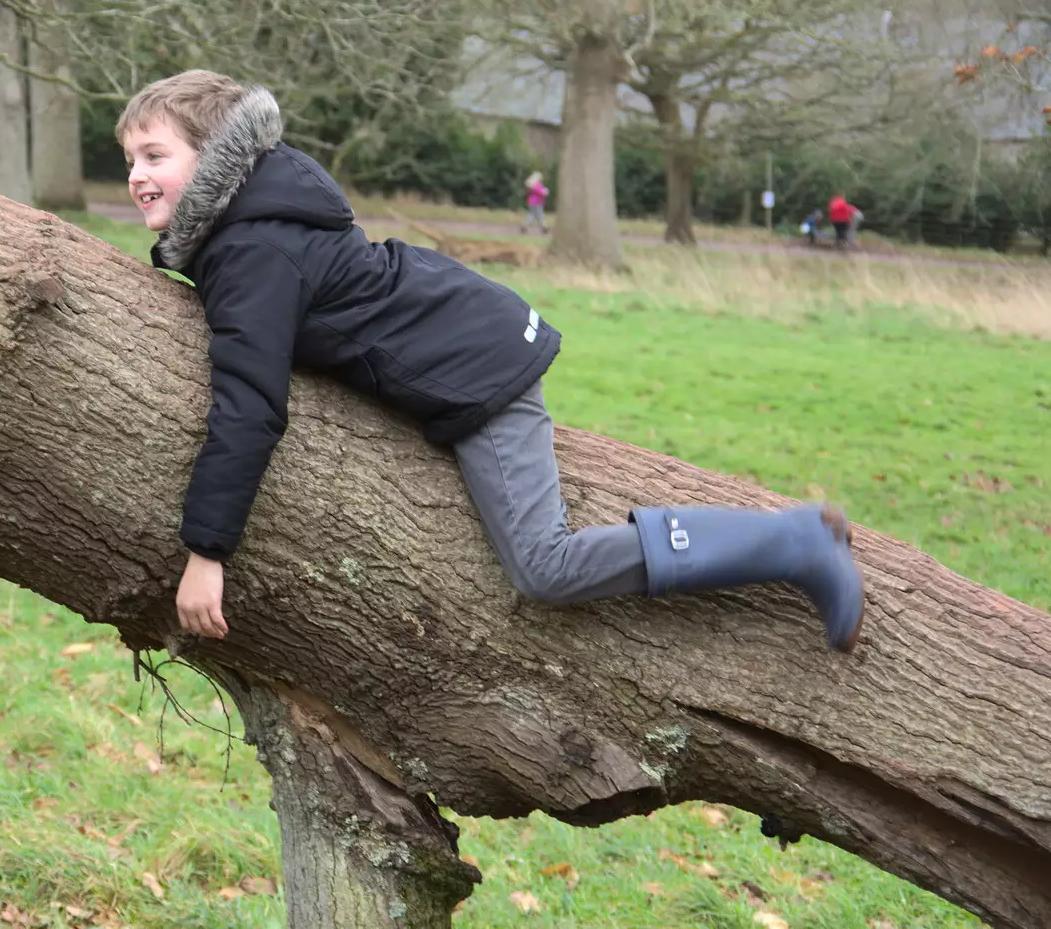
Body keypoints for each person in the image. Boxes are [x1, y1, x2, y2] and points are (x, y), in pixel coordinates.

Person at [118, 70, 866, 652]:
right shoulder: (255, 225)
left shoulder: (251, 249)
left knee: (546, 565)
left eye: (156, 155)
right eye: (130, 160)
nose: (137, 175)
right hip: (468, 335)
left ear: (218, 155)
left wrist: (206, 549)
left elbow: (249, 402)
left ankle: (795, 542)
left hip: (476, 369)